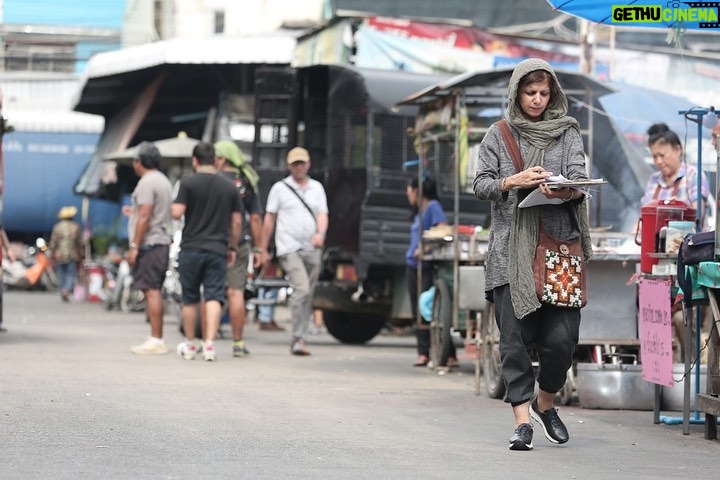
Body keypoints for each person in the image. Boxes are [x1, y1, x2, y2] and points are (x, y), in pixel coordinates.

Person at [473, 58, 593, 451]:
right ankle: (522, 422)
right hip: (511, 251)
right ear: (516, 93)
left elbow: (580, 181)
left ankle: (546, 403)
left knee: (562, 339)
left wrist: (567, 190)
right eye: (530, 92)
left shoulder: (569, 133)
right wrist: (514, 181)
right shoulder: (498, 133)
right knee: (514, 341)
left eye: (544, 93)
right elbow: (481, 184)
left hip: (558, 249)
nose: (537, 100)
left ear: (553, 93)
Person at [640, 123, 710, 363]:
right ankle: (660, 380)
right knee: (655, 320)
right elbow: (645, 216)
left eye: (663, 154)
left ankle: (692, 370)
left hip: (687, 262)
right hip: (658, 266)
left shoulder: (693, 175)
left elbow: (697, 211)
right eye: (655, 156)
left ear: (678, 149)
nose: (659, 161)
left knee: (683, 319)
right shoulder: (653, 181)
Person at [172, 142, 242, 361]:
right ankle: (209, 345)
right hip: (218, 249)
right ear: (215, 160)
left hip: (191, 248)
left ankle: (191, 345)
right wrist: (232, 246)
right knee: (213, 295)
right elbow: (237, 221)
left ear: (194, 160)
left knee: (190, 298)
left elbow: (177, 213)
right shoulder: (229, 186)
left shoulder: (188, 182)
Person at [259, 147, 328, 356]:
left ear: (308, 164)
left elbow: (322, 214)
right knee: (302, 289)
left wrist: (321, 234)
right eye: (295, 163)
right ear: (289, 166)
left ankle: (302, 336)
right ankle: (298, 338)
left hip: (312, 247)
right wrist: (262, 248)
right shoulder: (280, 189)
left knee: (308, 294)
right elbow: (269, 219)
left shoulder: (316, 188)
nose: (299, 167)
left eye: (302, 163)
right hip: (288, 247)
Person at [214, 140, 263, 357]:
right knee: (236, 293)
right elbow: (254, 217)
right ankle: (238, 343)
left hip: (213, 241)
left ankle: (207, 340)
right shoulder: (246, 181)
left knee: (211, 293)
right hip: (240, 242)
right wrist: (260, 248)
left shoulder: (213, 180)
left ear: (222, 159)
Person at [405, 176, 458, 368]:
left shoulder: (433, 206)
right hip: (413, 266)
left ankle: (445, 353)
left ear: (417, 191)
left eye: (409, 190)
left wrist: (425, 249)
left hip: (424, 267)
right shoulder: (419, 212)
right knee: (417, 310)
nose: (407, 194)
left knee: (428, 309)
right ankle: (423, 352)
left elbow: (443, 230)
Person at [127, 142, 173, 355]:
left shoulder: (146, 182)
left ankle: (157, 339)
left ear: (140, 162)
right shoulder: (163, 180)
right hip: (161, 239)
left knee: (151, 290)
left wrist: (134, 246)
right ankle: (156, 337)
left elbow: (145, 214)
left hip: (151, 242)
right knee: (153, 289)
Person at [49, 206, 83, 302]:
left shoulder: (57, 227)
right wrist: (81, 254)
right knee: (71, 274)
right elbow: (80, 243)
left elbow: (53, 242)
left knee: (61, 274)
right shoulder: (76, 227)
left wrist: (52, 253)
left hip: (60, 255)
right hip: (73, 254)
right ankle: (66, 290)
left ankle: (63, 289)